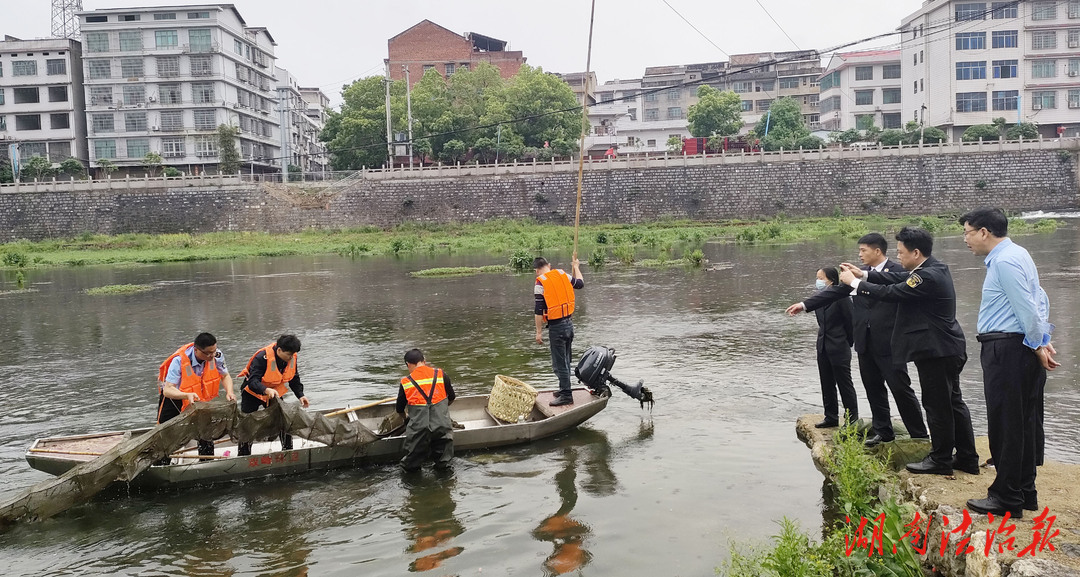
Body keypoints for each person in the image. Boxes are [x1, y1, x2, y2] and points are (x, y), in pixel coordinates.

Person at [838, 226, 979, 476]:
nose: (898, 257)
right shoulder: (930, 269)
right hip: (945, 348)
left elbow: (895, 291)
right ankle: (966, 457)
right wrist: (866, 275)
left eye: (901, 253)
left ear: (916, 252)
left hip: (935, 351)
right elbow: (897, 279)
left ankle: (941, 458)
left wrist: (857, 283)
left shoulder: (926, 276)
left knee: (938, 406)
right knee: (953, 403)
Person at [959, 208, 1059, 518]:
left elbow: (1026, 306)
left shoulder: (1004, 261)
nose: (966, 239)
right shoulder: (1019, 253)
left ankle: (1006, 497)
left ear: (985, 232)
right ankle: (1023, 492)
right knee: (1023, 423)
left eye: (968, 232)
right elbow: (1039, 298)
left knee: (1006, 423)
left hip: (1008, 349)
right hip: (1018, 346)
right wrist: (1040, 337)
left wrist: (1039, 341)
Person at [788, 234, 928, 445]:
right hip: (865, 341)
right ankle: (883, 431)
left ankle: (918, 434)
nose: (860, 254)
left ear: (877, 251)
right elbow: (834, 293)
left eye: (863, 250)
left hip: (890, 342)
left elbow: (894, 290)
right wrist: (805, 305)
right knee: (873, 387)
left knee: (900, 388)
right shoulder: (858, 276)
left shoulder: (898, 271)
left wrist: (858, 279)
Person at [156, 333, 235, 459]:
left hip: (199, 396)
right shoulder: (179, 360)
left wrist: (229, 392)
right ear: (196, 350)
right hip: (175, 397)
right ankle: (162, 461)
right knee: (166, 432)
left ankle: (206, 460)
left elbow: (225, 376)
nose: (212, 356)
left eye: (214, 351)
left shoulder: (217, 355)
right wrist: (186, 395)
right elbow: (168, 390)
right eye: (208, 353)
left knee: (206, 431)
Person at [798, 266, 857, 428]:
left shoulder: (842, 298)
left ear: (831, 280)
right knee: (826, 383)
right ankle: (831, 416)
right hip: (823, 346)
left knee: (844, 384)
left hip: (839, 346)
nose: (818, 281)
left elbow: (850, 322)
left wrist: (847, 342)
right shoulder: (819, 298)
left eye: (821, 278)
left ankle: (852, 420)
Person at [236, 334, 309, 456]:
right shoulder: (262, 358)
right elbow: (253, 381)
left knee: (284, 420)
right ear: (279, 350)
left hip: (274, 393)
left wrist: (300, 395)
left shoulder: (292, 358)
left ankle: (288, 451)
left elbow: (294, 378)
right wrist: (265, 390)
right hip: (252, 393)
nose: (291, 358)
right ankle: (244, 455)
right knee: (247, 425)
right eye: (289, 355)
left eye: (293, 355)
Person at [534, 256, 584, 407]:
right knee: (566, 360)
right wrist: (576, 267)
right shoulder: (563, 274)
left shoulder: (539, 282)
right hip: (569, 324)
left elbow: (538, 311)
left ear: (536, 270)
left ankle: (566, 395)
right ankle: (564, 389)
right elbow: (580, 284)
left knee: (559, 363)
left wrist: (538, 332)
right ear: (549, 265)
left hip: (556, 327)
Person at [396, 348, 456, 472]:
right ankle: (445, 485)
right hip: (442, 425)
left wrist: (406, 419)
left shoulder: (406, 382)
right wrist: (441, 410)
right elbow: (451, 398)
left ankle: (414, 485)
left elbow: (399, 409)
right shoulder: (440, 374)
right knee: (444, 465)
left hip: (419, 430)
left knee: (410, 467)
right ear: (424, 361)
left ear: (408, 364)